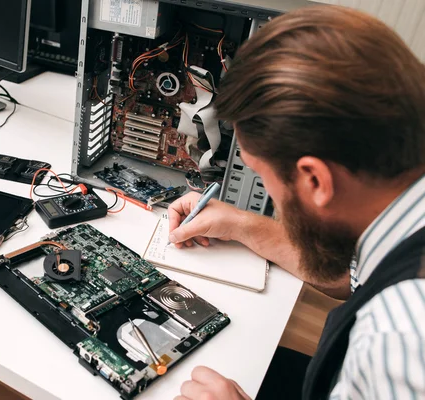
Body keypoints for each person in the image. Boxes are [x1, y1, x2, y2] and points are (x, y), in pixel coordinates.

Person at [169, 5, 425, 400]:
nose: (271, 197)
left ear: (315, 180)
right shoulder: (397, 211)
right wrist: (240, 224)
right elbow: (356, 273)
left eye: (266, 180)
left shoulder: (396, 344)